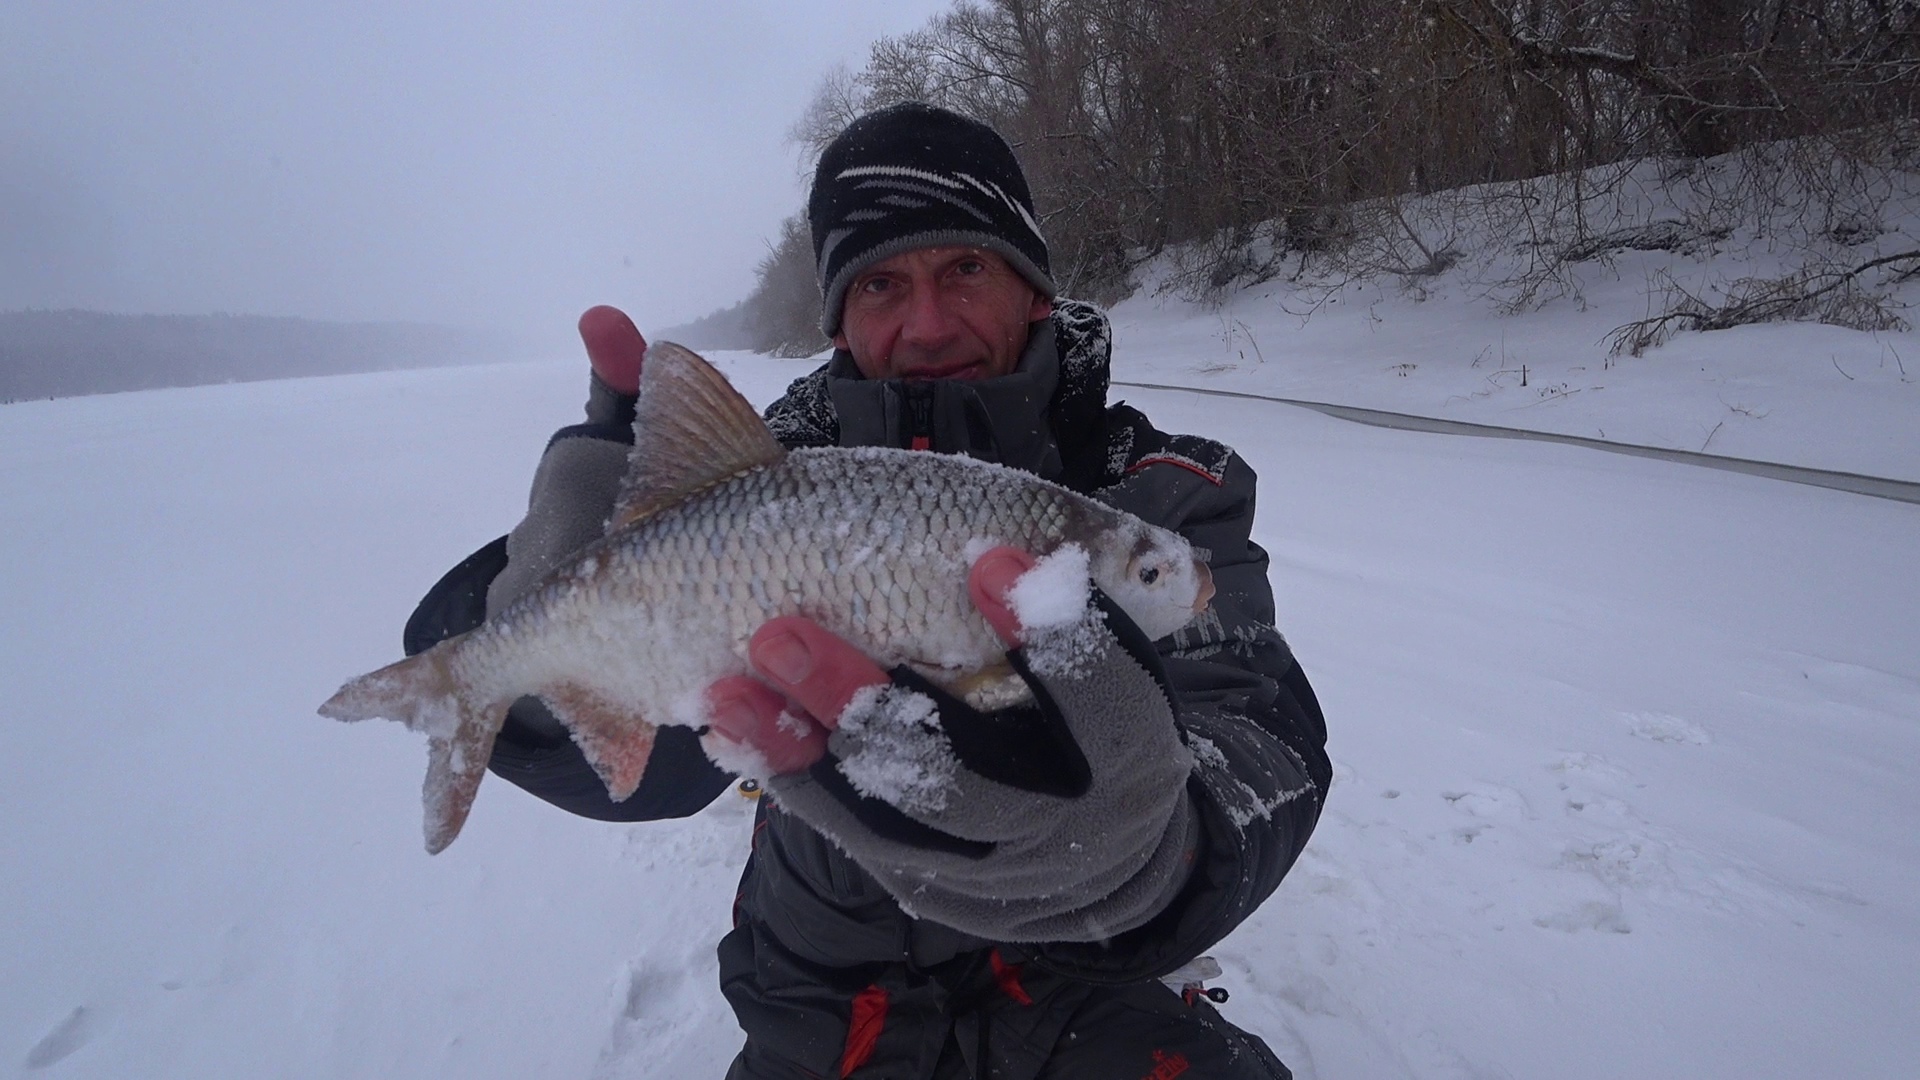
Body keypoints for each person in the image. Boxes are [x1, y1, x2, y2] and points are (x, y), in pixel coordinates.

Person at [403, 103, 1330, 1079]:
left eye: (965, 268)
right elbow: (656, 773)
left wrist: (1148, 851)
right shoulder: (761, 488)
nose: (926, 325)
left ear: (1035, 291)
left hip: (1089, 978)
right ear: (839, 320)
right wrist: (541, 620)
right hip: (821, 986)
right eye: (881, 283)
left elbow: (1264, 741)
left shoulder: (1153, 497)